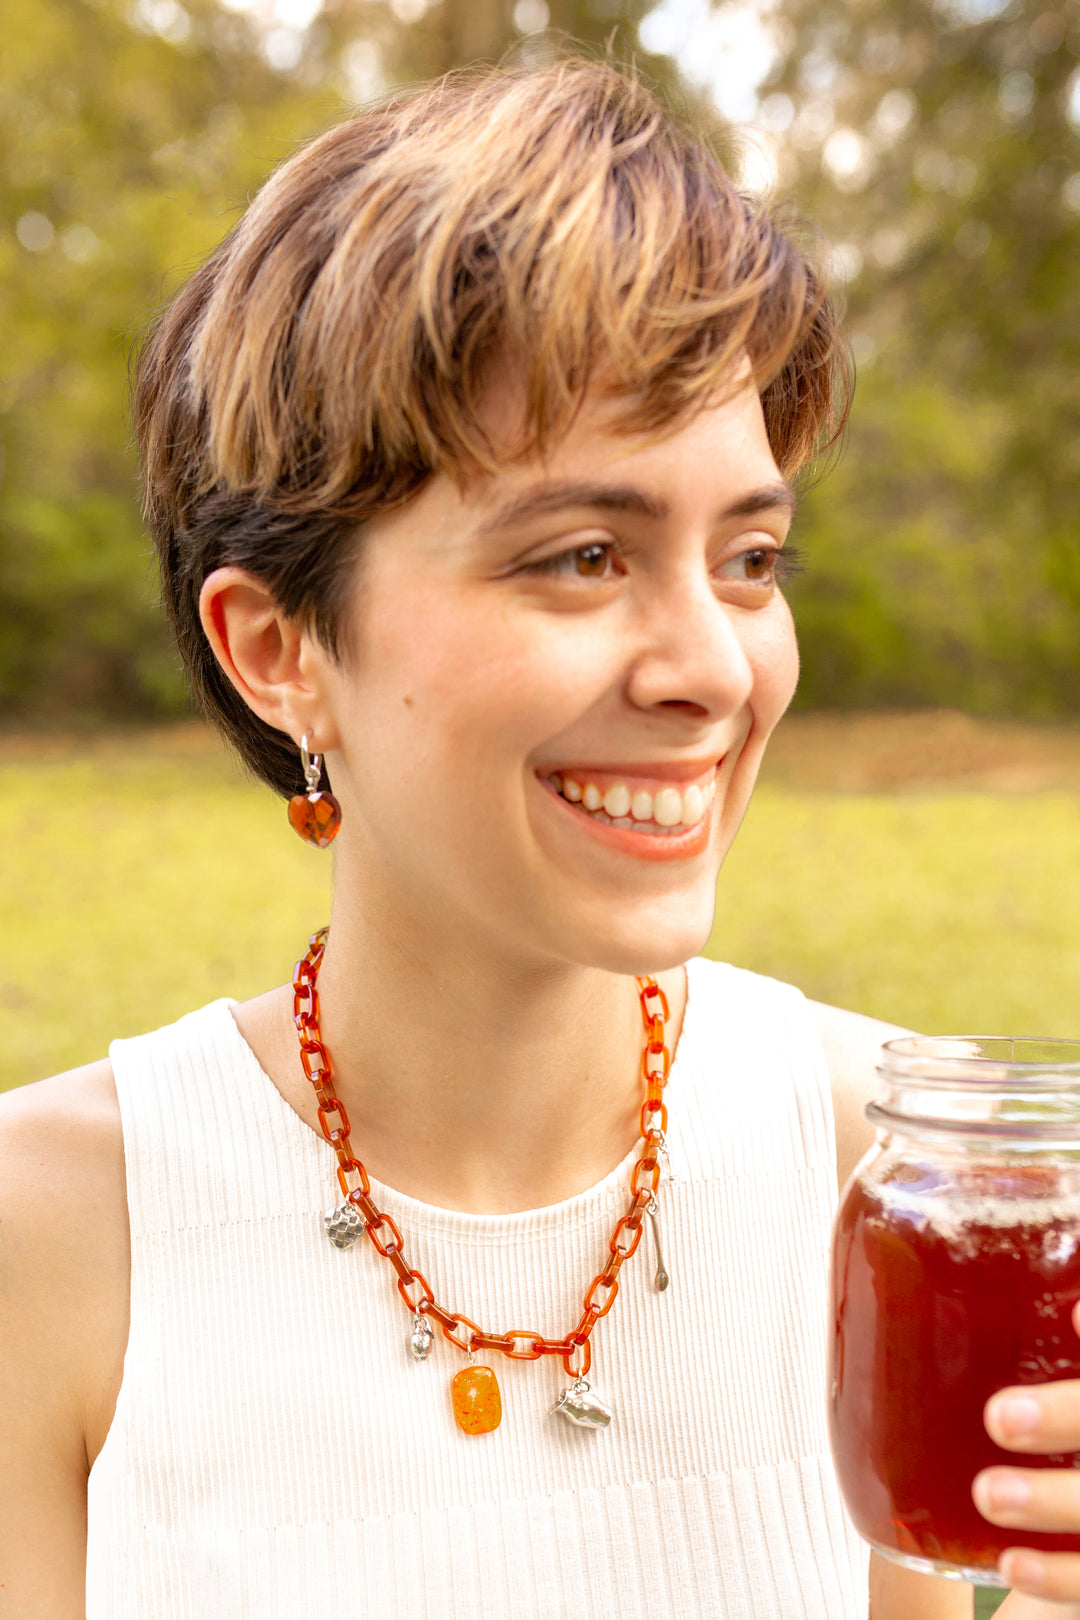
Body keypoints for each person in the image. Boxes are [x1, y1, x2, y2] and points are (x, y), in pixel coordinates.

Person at [1, 54, 1078, 1620]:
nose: (714, 666)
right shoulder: (47, 1239)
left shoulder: (891, 1177)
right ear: (280, 649)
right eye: (584, 555)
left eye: (753, 556)